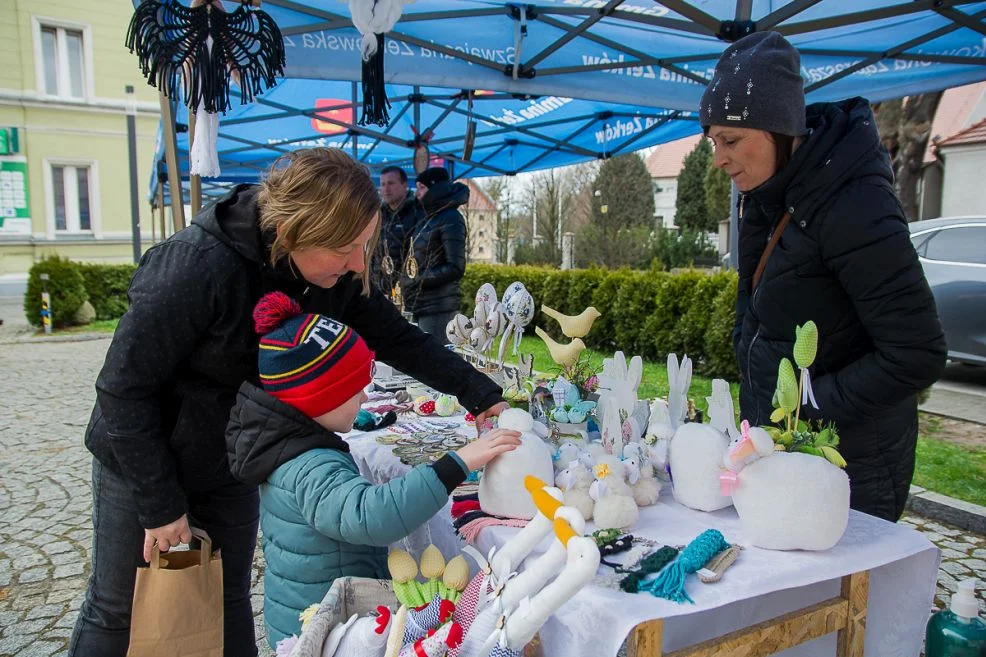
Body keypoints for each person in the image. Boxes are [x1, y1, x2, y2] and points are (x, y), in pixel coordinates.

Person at [68, 149, 510, 657]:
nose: (354, 265)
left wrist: (480, 394)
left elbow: (396, 336)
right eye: (345, 247)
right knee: (119, 606)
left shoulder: (329, 273)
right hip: (143, 457)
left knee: (230, 597)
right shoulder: (196, 265)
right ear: (295, 229)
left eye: (363, 246)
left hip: (231, 461)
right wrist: (161, 505)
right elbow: (123, 388)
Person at [701, 31, 946, 522]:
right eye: (712, 141)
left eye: (731, 140)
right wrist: (758, 390)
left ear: (779, 131)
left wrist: (807, 405)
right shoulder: (768, 198)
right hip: (784, 451)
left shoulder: (855, 204)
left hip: (848, 467)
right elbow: (757, 312)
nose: (719, 158)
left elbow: (917, 353)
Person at [225, 292, 522, 649]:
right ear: (320, 397)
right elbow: (371, 515)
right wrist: (458, 463)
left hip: (312, 615)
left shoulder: (287, 444)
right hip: (324, 630)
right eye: (355, 390)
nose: (365, 398)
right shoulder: (310, 465)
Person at [400, 167, 468, 336]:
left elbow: (455, 267)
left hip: (438, 307)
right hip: (421, 305)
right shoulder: (429, 218)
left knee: (435, 358)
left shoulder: (451, 218)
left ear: (435, 188)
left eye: (421, 187)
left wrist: (417, 279)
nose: (417, 193)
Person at [373, 165, 421, 299]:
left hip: (410, 293)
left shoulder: (418, 212)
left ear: (404, 185)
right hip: (381, 291)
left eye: (391, 183)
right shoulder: (378, 215)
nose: (386, 189)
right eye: (382, 184)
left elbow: (422, 254)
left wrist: (406, 281)